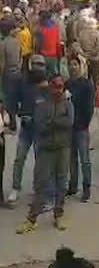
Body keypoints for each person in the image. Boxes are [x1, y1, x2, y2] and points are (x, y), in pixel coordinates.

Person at [17, 74, 73, 234]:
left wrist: (52, 122)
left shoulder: (68, 104)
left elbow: (69, 123)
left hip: (63, 148)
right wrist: (57, 123)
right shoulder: (42, 104)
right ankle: (32, 219)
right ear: (50, 86)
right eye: (55, 85)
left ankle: (58, 215)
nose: (58, 89)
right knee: (40, 184)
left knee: (62, 184)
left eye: (60, 86)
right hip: (46, 149)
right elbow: (40, 125)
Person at [8, 55, 48, 205]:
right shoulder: (23, 81)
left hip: (40, 128)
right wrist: (18, 113)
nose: (37, 67)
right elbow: (14, 99)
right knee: (19, 158)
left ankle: (39, 190)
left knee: (40, 161)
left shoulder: (47, 82)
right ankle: (15, 188)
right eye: (35, 64)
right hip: (26, 126)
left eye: (40, 64)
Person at [66, 56, 94, 202]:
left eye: (75, 64)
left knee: (84, 159)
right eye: (70, 64)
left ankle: (87, 186)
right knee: (71, 158)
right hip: (69, 127)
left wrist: (85, 123)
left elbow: (89, 107)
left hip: (81, 127)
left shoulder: (86, 84)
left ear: (80, 66)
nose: (72, 67)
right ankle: (73, 185)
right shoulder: (66, 84)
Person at [0, 18, 22, 133]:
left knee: (7, 99)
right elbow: (20, 57)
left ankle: (12, 124)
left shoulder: (3, 44)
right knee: (13, 98)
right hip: (17, 72)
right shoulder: (16, 41)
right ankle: (13, 122)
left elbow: (2, 64)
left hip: (8, 74)